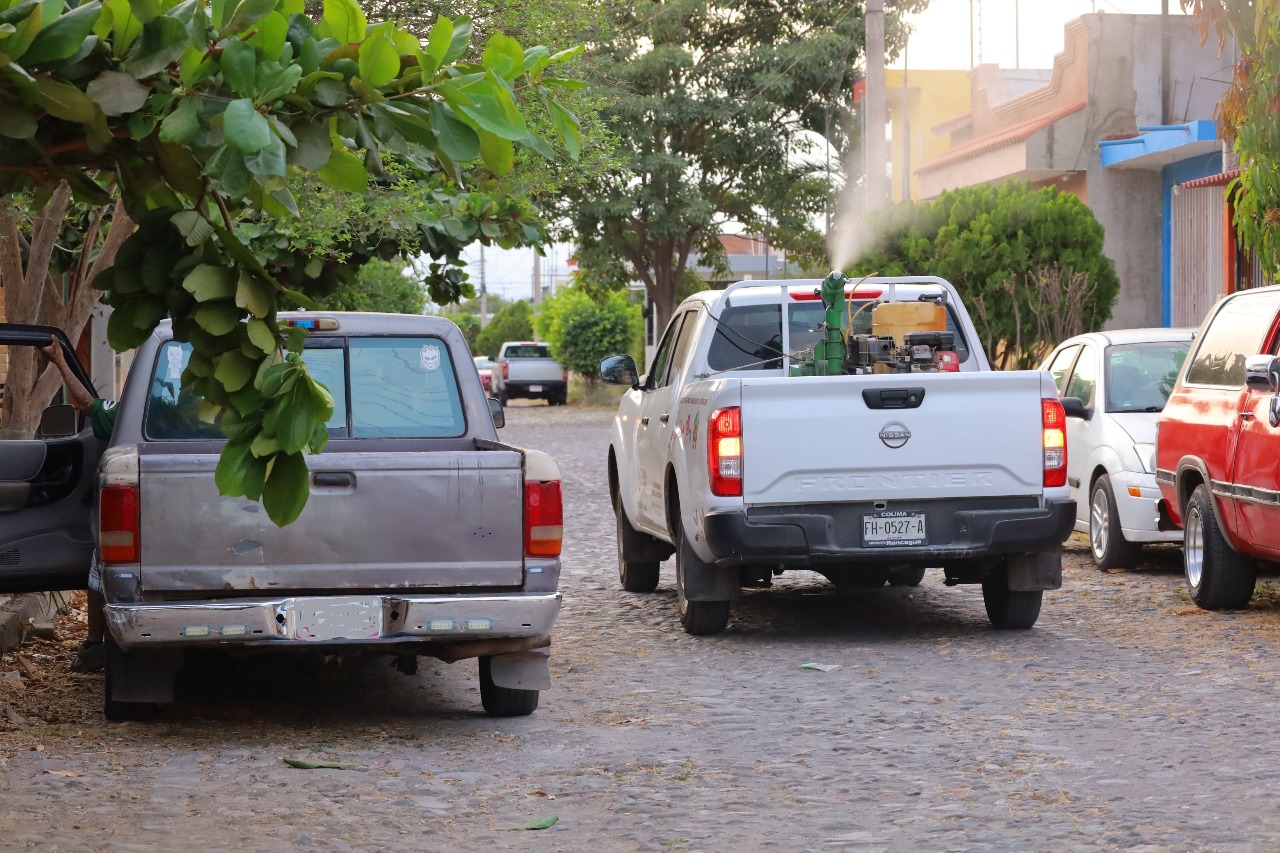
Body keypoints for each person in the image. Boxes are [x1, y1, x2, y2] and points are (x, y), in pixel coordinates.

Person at [39, 341, 117, 673]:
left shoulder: (135, 412)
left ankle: (95, 647)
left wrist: (59, 360)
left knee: (102, 572)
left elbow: (87, 404)